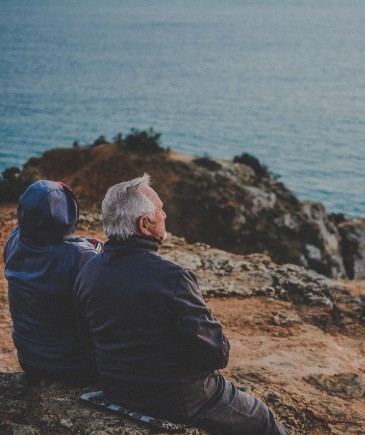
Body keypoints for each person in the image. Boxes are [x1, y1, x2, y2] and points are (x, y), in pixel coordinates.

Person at [74, 174, 290, 434]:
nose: (165, 215)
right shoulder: (172, 278)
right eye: (161, 210)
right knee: (264, 420)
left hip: (116, 389)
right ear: (144, 224)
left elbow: (87, 333)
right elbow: (217, 354)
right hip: (180, 399)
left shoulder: (89, 269)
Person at [4, 180, 101, 386]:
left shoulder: (14, 239)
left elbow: (51, 246)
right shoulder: (82, 257)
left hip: (29, 358)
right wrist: (95, 249)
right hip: (74, 366)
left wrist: (84, 244)